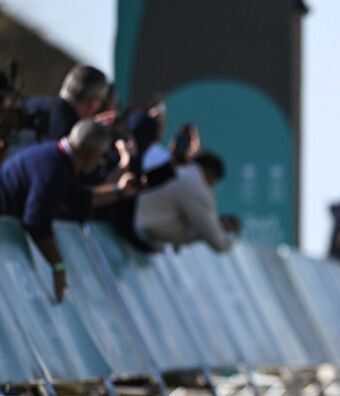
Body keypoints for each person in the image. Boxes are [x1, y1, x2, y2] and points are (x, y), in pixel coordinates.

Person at [0, 119, 141, 303]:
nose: (100, 162)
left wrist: (119, 191)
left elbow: (80, 197)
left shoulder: (57, 157)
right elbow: (36, 221)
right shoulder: (55, 168)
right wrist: (58, 265)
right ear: (91, 155)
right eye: (101, 156)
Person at [134, 150, 239, 252]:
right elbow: (219, 243)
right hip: (134, 226)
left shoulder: (181, 169)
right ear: (210, 174)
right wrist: (233, 234)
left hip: (130, 213)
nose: (212, 187)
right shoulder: (197, 189)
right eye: (214, 181)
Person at [45, 65, 114, 141]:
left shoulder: (37, 105)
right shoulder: (71, 135)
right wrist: (91, 130)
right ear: (93, 102)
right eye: (101, 101)